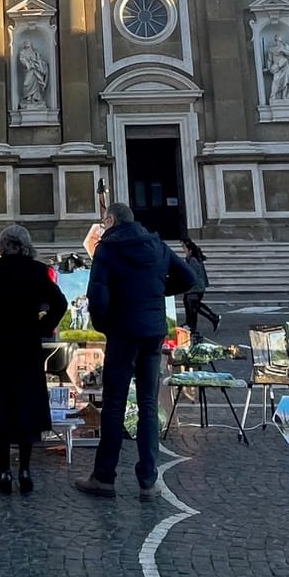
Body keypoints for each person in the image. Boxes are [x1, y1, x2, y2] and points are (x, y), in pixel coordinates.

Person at [74, 203, 174, 498]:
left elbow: (97, 296)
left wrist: (106, 325)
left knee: (115, 404)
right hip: (152, 332)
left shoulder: (108, 248)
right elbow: (189, 279)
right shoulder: (157, 245)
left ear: (109, 221)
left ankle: (104, 477)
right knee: (148, 404)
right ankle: (148, 482)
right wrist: (154, 292)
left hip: (123, 333)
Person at [0, 224, 69, 496]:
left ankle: (4, 472)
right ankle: (25, 471)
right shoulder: (38, 271)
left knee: (2, 412)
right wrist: (41, 328)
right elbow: (60, 303)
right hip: (26, 350)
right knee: (25, 410)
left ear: (4, 245)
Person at [178, 238, 219, 334]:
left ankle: (195, 325)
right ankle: (191, 324)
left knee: (193, 306)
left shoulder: (193, 260)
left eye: (184, 247)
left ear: (190, 250)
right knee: (192, 304)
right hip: (195, 287)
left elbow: (191, 273)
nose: (183, 249)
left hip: (195, 288)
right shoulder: (193, 258)